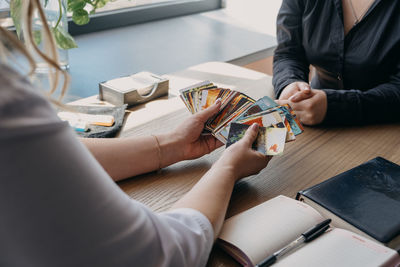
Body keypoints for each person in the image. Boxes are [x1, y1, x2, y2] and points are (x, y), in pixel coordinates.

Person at [0, 1, 270, 266]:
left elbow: (46, 161)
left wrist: (170, 145)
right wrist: (229, 166)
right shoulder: (9, 99)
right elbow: (162, 255)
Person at [273, 0, 400, 126]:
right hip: (312, 121)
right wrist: (289, 83)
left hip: (383, 126)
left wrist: (336, 105)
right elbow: (288, 53)